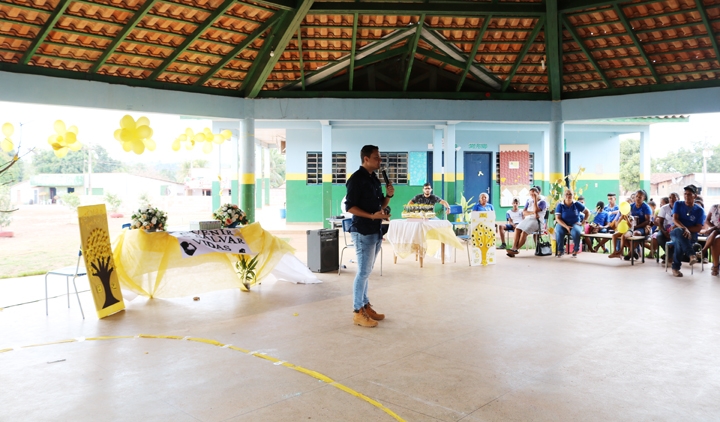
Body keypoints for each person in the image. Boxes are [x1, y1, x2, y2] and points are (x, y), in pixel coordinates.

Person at [344, 145, 394, 327]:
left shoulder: (374, 179)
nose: (380, 161)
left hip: (375, 229)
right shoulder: (356, 179)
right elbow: (349, 207)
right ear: (366, 159)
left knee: (367, 271)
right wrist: (372, 216)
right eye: (376, 158)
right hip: (362, 230)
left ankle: (365, 305)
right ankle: (358, 311)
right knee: (363, 272)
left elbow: (379, 204)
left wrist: (388, 196)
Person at [669, 184, 705, 277]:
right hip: (675, 232)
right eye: (685, 194)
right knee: (679, 232)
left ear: (695, 196)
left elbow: (698, 228)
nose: (686, 196)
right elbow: (675, 219)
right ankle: (691, 254)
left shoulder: (699, 210)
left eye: (689, 194)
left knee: (679, 241)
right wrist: (684, 228)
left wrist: (686, 229)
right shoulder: (678, 204)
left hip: (691, 235)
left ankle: (675, 268)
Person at [609, 189, 652, 260]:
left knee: (636, 233)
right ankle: (633, 251)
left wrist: (636, 226)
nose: (638, 198)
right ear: (634, 197)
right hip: (630, 227)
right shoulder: (630, 206)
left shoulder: (646, 207)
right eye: (636, 196)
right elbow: (623, 216)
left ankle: (630, 253)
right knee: (623, 236)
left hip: (643, 228)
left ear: (643, 198)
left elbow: (648, 221)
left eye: (640, 197)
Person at [506, 186, 548, 257]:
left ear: (538, 193)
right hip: (528, 219)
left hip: (537, 221)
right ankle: (514, 248)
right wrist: (532, 213)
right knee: (518, 229)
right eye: (531, 194)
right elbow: (524, 212)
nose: (532, 196)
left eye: (533, 194)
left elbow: (535, 210)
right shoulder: (529, 200)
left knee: (524, 232)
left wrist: (535, 200)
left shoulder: (543, 202)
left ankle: (515, 249)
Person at [554, 189, 590, 258]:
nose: (568, 196)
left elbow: (587, 212)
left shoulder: (577, 204)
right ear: (564, 196)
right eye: (566, 194)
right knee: (559, 231)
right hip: (563, 224)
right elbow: (557, 218)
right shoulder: (560, 205)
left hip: (575, 223)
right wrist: (566, 226)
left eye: (570, 194)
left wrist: (584, 221)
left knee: (576, 232)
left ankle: (575, 250)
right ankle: (560, 250)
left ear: (573, 195)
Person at [702, 202, 720, 276]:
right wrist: (713, 227)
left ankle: (703, 250)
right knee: (715, 237)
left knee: (716, 238)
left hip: (716, 231)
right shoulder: (714, 207)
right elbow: (707, 220)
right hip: (715, 230)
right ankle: (715, 265)